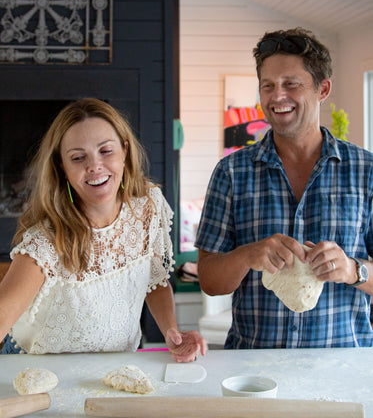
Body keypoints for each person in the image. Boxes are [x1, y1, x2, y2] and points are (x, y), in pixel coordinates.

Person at [195, 27, 373, 349]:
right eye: (268, 86)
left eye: (291, 84)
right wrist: (247, 255)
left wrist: (351, 269)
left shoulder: (366, 171)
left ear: (323, 89)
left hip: (342, 368)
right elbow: (208, 280)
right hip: (254, 372)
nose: (277, 96)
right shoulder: (231, 172)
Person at [0, 98, 206, 361]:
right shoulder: (46, 240)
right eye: (78, 157)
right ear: (62, 168)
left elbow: (154, 279)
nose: (94, 166)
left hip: (116, 363)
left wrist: (171, 332)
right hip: (34, 366)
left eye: (105, 151)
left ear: (124, 151)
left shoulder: (149, 208)